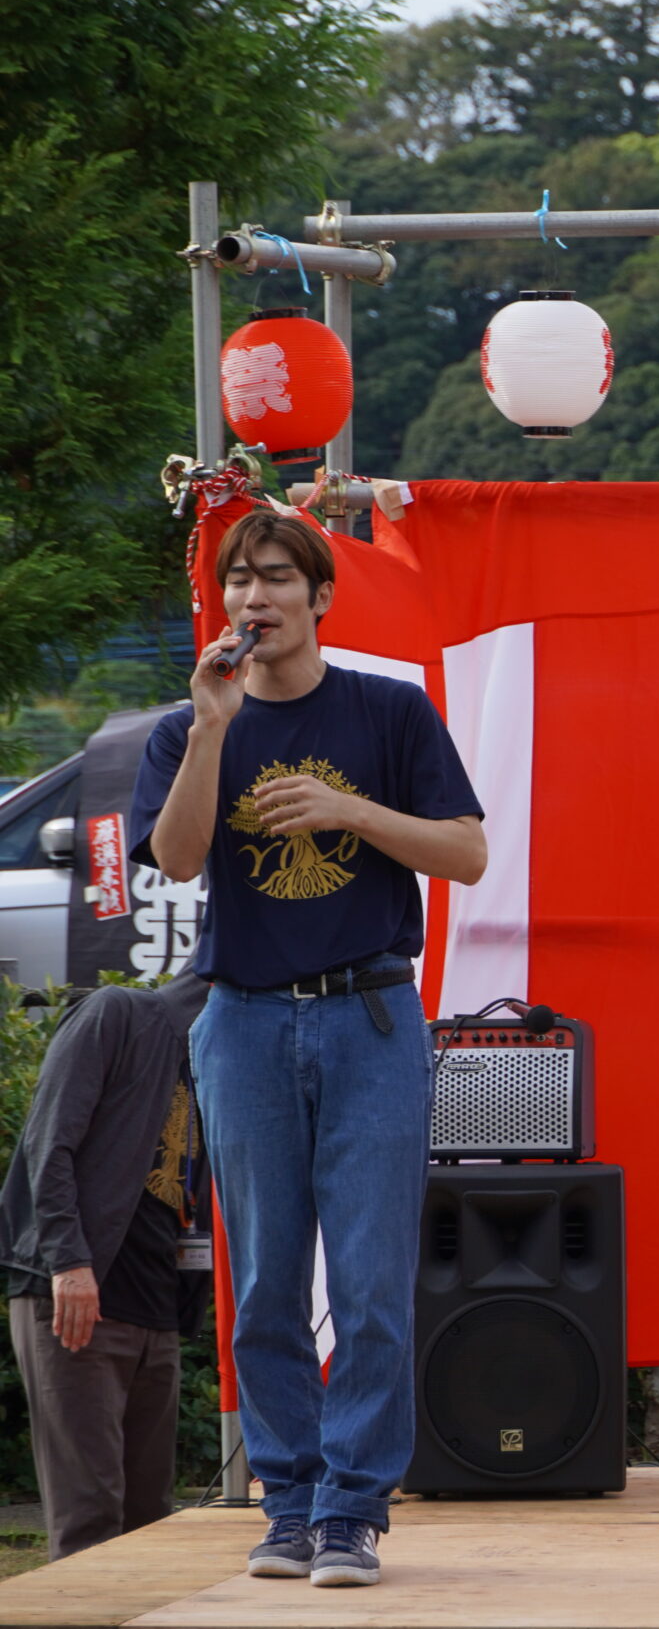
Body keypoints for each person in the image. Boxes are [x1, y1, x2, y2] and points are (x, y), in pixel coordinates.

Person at [131, 512, 486, 1589]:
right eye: (239, 583)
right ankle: (287, 1503)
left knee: (372, 1281)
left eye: (277, 580)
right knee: (267, 1280)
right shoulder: (191, 724)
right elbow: (179, 857)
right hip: (242, 1022)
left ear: (321, 598)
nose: (254, 601)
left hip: (370, 1018)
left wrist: (347, 807)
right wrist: (208, 729)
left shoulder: (388, 711)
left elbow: (465, 853)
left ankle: (352, 1512)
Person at [0, 976, 212, 1559]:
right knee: (90, 1522)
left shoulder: (213, 1059)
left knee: (150, 1525)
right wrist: (68, 1261)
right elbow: (50, 1143)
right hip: (75, 1295)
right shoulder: (118, 1012)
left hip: (156, 1309)